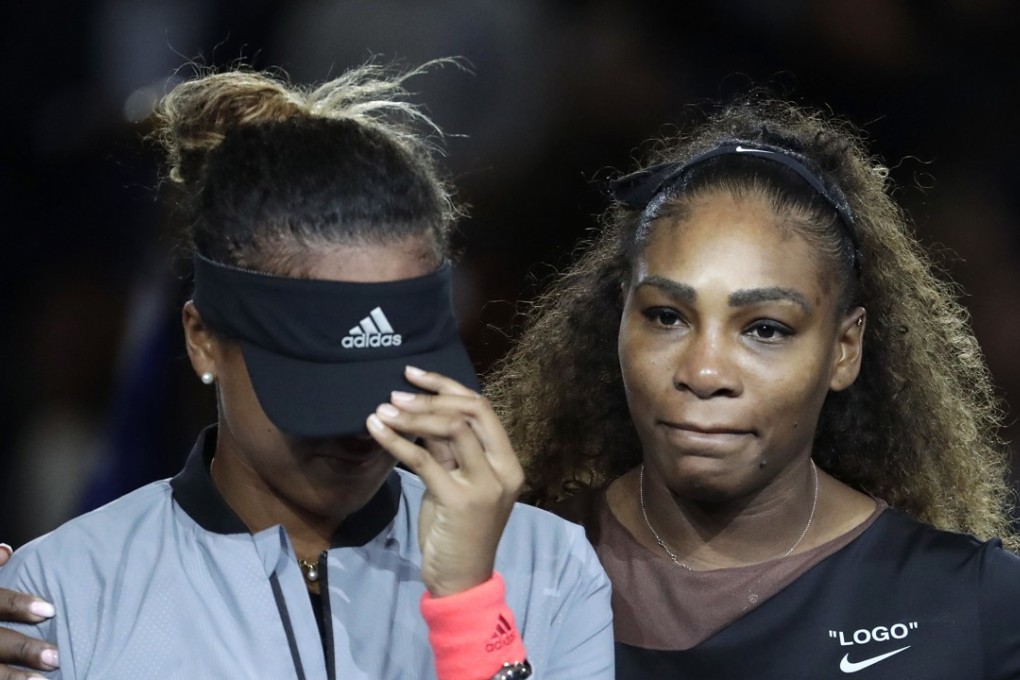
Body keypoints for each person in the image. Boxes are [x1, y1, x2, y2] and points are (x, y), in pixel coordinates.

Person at [0, 64, 613, 679]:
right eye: (321, 384)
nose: (364, 428)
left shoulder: (548, 567)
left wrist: (470, 610)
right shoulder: (63, 592)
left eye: (392, 376)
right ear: (203, 340)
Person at [487, 94, 1020, 678]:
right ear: (620, 318)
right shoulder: (506, 571)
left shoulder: (975, 608)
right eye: (667, 317)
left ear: (844, 350)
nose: (705, 372)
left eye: (765, 329)